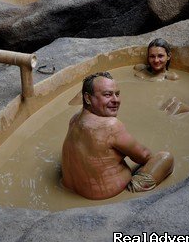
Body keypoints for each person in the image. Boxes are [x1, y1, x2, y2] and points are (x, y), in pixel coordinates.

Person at [62, 72, 174, 200]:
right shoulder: (110, 125)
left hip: (70, 190)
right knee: (165, 158)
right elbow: (144, 156)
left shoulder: (74, 119)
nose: (116, 100)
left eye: (117, 94)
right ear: (87, 98)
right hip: (111, 196)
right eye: (108, 95)